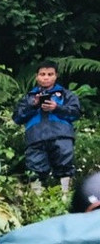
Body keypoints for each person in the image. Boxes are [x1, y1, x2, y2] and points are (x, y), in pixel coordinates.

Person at [12, 59, 81, 195]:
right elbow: (17, 118)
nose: (46, 78)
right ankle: (37, 201)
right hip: (35, 137)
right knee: (35, 169)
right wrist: (33, 105)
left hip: (61, 135)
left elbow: (76, 113)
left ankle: (65, 197)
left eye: (50, 74)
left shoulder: (66, 95)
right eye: (42, 74)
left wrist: (57, 108)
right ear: (37, 76)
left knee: (65, 165)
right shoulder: (28, 98)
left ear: (56, 76)